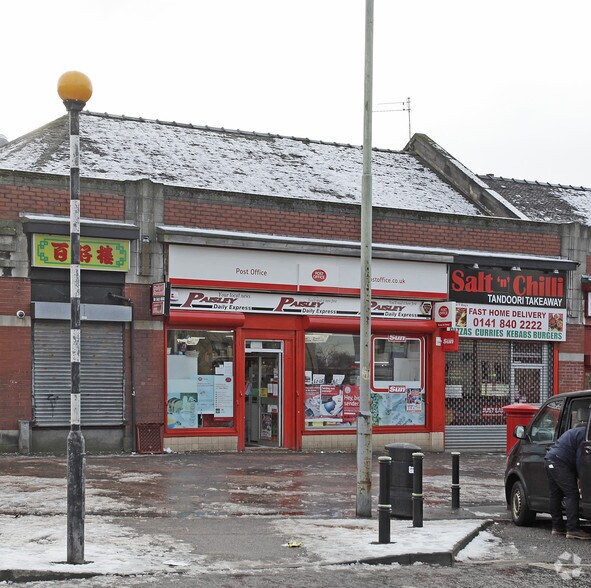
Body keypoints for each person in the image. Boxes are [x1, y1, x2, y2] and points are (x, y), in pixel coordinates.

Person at [544, 419, 591, 540]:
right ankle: (573, 529)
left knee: (555, 495)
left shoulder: (576, 432)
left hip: (550, 459)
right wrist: (582, 478)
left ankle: (557, 527)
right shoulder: (584, 437)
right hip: (560, 462)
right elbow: (580, 460)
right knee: (572, 494)